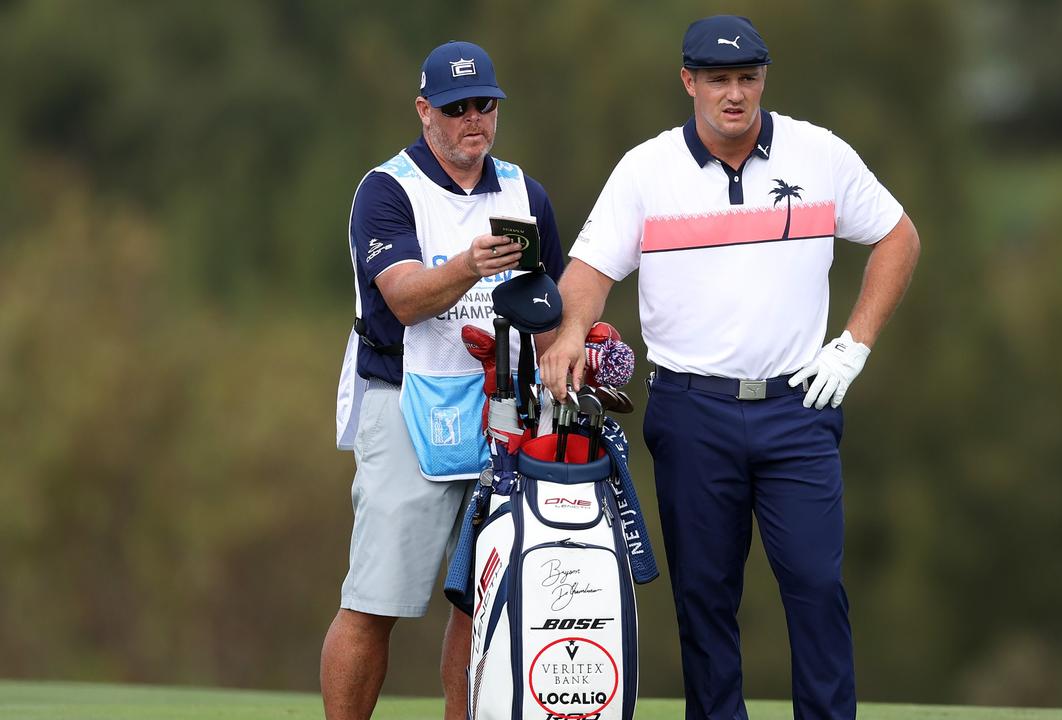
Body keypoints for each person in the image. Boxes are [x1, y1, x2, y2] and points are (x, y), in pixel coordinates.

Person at [540, 15, 920, 720]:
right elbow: (588, 274)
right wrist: (568, 335)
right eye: (718, 79)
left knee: (815, 585)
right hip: (692, 413)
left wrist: (855, 342)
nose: (734, 94)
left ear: (763, 79)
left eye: (747, 77)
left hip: (798, 408)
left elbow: (898, 237)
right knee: (705, 600)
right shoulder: (646, 170)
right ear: (689, 82)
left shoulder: (819, 154)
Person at [325, 40, 564, 720]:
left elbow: (548, 306)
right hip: (404, 404)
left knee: (484, 606)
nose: (473, 120)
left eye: (485, 104)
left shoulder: (525, 193)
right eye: (457, 108)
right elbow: (404, 299)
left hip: (505, 414)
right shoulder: (387, 189)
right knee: (376, 601)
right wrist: (469, 265)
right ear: (425, 111)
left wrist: (575, 353)